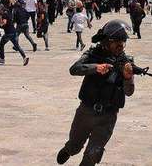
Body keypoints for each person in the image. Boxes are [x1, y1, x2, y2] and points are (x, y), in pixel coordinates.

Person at [56, 20, 140, 166]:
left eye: (123, 43)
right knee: (75, 146)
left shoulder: (126, 62)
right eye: (116, 43)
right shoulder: (92, 54)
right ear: (107, 42)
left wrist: (128, 78)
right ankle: (68, 149)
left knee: (93, 154)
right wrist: (95, 68)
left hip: (108, 116)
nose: (120, 46)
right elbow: (74, 69)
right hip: (86, 112)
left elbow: (129, 92)